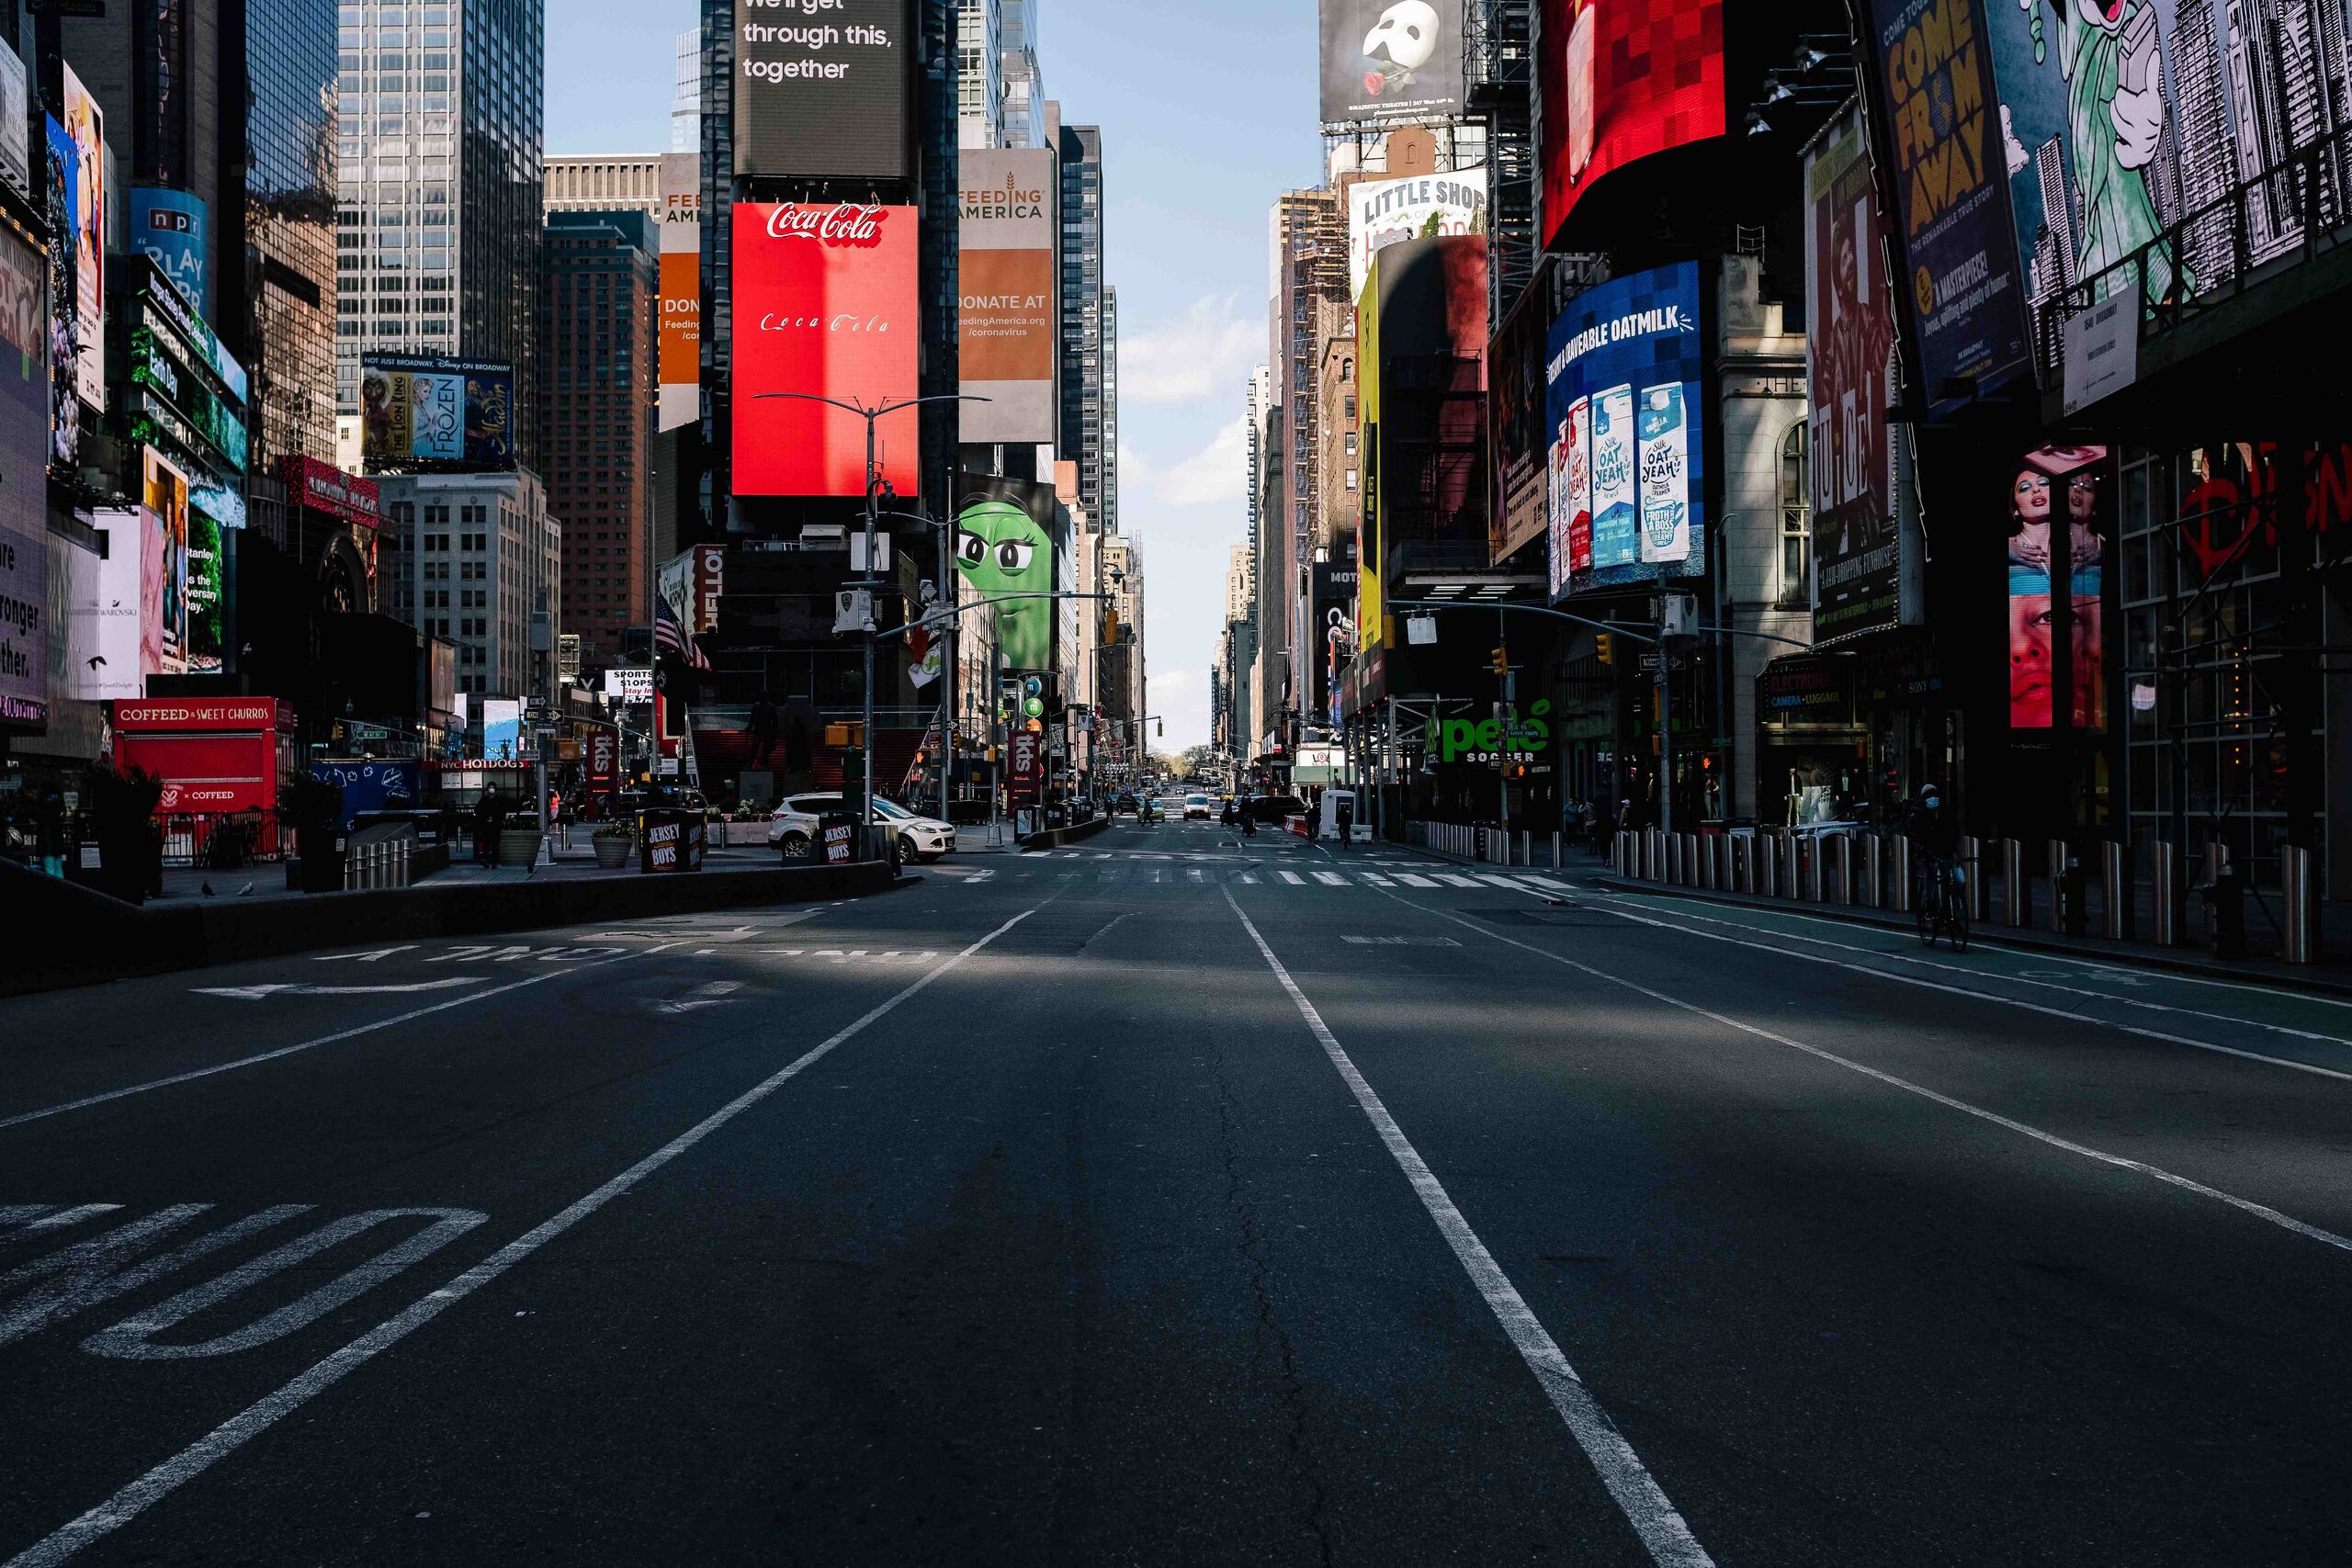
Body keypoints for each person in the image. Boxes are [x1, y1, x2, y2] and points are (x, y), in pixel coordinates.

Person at [1904, 784, 1961, 908]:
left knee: (1953, 878)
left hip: (1945, 851)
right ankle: (1930, 903)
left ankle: (1953, 908)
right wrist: (1922, 850)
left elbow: (1954, 831)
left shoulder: (1945, 813)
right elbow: (1913, 835)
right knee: (1931, 873)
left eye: (1935, 796)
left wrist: (1954, 849)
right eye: (1929, 796)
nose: (1933, 799)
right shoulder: (1918, 814)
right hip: (1928, 852)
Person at [748, 693, 780, 770]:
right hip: (764, 729)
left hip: (763, 729)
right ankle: (757, 764)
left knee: (760, 747)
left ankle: (753, 764)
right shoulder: (769, 706)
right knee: (760, 747)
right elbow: (775, 720)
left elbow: (752, 718)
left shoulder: (761, 706)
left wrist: (749, 726)